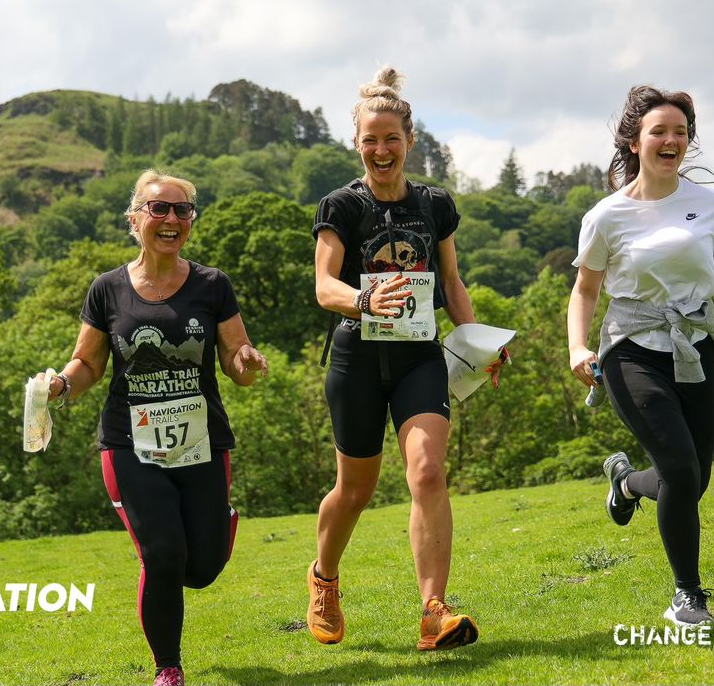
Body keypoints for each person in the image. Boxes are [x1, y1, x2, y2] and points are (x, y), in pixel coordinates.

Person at [36, 170, 267, 686]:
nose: (170, 219)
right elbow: (88, 363)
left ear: (190, 222)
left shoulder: (212, 285)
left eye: (181, 210)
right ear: (135, 218)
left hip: (201, 441)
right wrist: (60, 386)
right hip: (129, 443)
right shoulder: (108, 289)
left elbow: (234, 355)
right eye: (158, 209)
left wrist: (246, 362)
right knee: (163, 553)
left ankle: (213, 522)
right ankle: (168, 668)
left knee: (200, 568)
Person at [307, 66, 490, 651]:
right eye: (370, 140)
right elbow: (323, 286)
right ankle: (324, 579)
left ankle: (433, 612)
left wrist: (478, 340)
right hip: (356, 360)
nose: (381, 150)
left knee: (428, 471)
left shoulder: (435, 204)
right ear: (356, 143)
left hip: (418, 358)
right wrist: (364, 298)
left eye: (391, 139)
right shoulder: (342, 205)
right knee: (354, 490)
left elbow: (453, 282)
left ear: (410, 141)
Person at [566, 85, 714, 627]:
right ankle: (687, 595)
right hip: (632, 348)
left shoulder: (708, 204)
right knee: (677, 466)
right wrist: (578, 347)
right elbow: (585, 290)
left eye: (680, 132)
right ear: (635, 142)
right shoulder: (607, 216)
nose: (671, 140)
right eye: (659, 132)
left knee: (694, 480)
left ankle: (625, 483)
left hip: (698, 343)